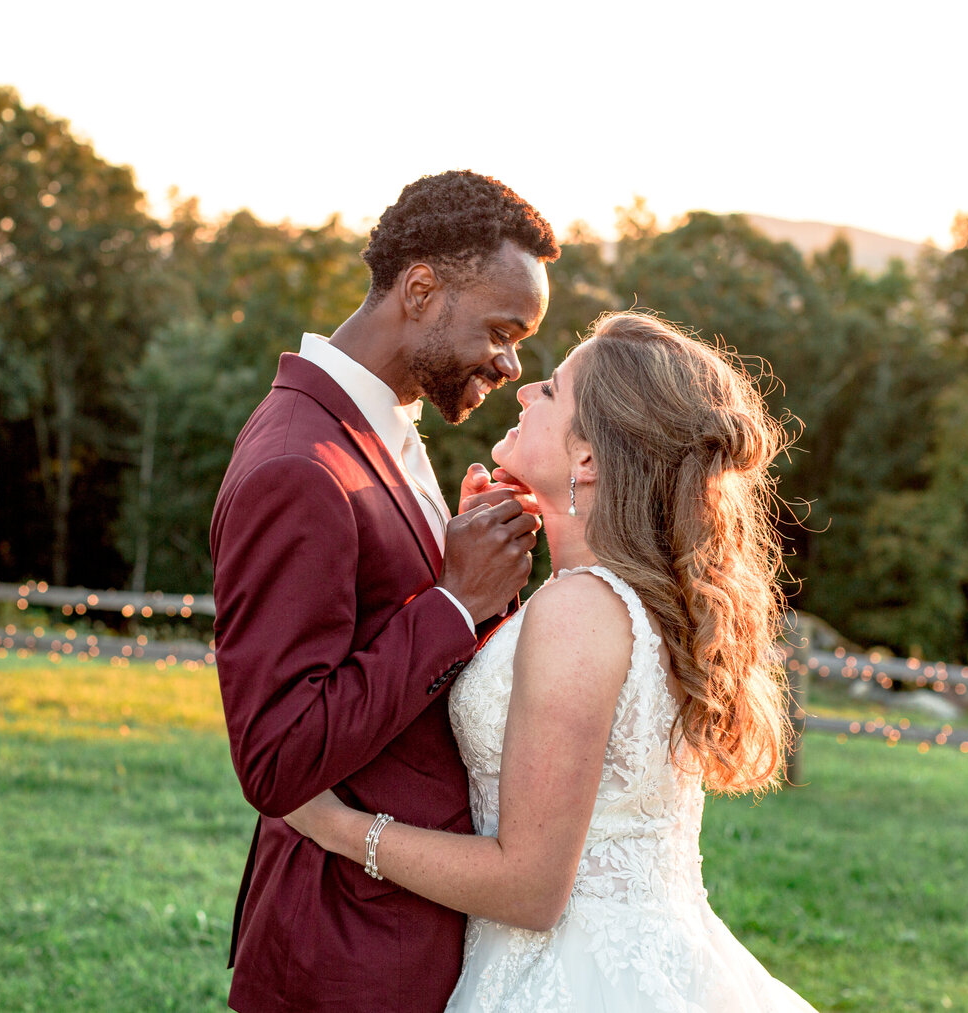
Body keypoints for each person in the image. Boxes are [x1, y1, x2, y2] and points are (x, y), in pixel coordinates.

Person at [284, 311, 819, 1011]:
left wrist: (335, 824)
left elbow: (529, 888)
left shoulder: (579, 609)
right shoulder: (623, 598)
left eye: (553, 390)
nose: (523, 390)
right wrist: (484, 592)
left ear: (589, 458)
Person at [210, 170, 560, 1012]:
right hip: (347, 948)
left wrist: (461, 562)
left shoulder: (375, 424)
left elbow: (381, 628)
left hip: (402, 927)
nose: (510, 364)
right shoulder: (299, 464)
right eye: (502, 330)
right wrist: (452, 603)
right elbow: (276, 756)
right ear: (421, 287)